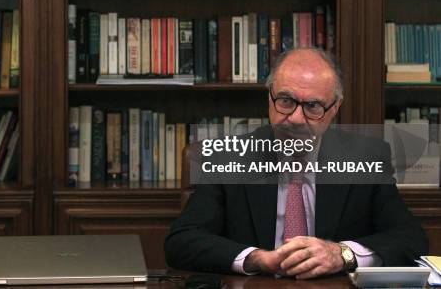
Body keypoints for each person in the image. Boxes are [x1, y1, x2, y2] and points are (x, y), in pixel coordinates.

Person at [165, 48, 428, 279]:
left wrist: (341, 254)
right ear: (270, 99)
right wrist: (258, 259)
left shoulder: (366, 157)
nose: (296, 119)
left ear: (335, 108)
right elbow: (181, 241)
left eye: (313, 106)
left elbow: (410, 239)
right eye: (286, 101)